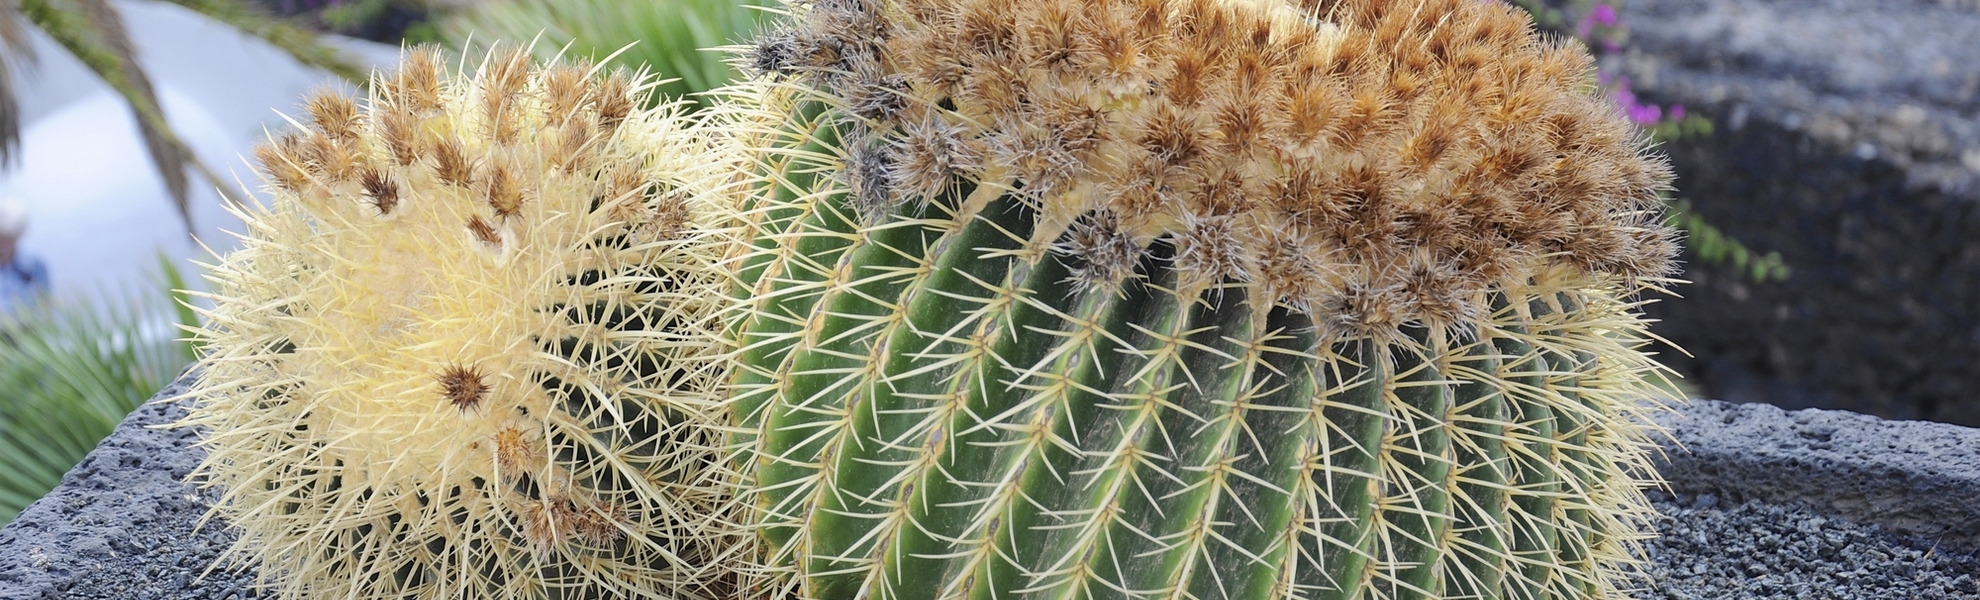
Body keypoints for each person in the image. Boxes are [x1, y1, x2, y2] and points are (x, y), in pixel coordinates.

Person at [0, 198, 49, 307]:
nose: (4, 244)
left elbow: (47, 304)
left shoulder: (35, 265)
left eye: (9, 238)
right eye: (1, 237)